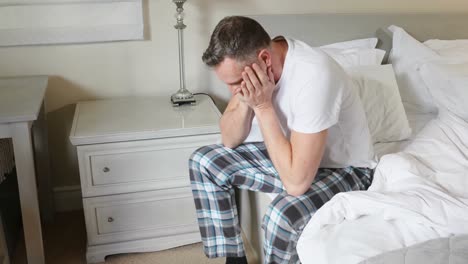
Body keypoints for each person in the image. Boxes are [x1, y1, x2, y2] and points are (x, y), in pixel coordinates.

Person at [189, 16, 376, 264]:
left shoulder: (315, 75)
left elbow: (296, 184)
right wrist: (246, 100)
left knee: (281, 216)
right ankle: (235, 259)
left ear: (265, 59)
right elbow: (229, 139)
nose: (233, 91)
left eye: (236, 83)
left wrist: (264, 106)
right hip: (293, 158)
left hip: (345, 169)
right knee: (203, 161)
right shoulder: (255, 62)